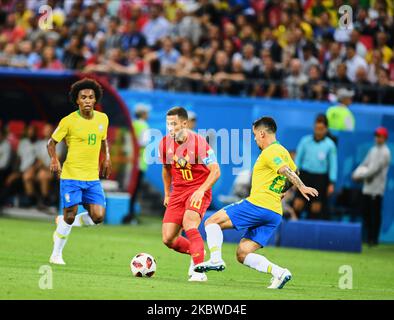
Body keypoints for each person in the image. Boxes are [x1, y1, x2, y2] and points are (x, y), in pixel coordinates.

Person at [194, 117, 318, 289]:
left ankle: (215, 259)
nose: (254, 139)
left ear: (262, 133)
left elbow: (286, 170)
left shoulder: (270, 152)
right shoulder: (283, 151)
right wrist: (283, 190)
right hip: (274, 212)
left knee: (211, 222)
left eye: (254, 135)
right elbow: (295, 170)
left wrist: (301, 187)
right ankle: (279, 273)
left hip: (258, 204)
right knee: (243, 253)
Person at [48, 78, 112, 265]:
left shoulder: (103, 119)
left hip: (92, 178)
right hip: (71, 176)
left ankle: (64, 222)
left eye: (90, 97)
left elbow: (103, 140)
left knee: (98, 217)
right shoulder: (68, 121)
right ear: (77, 100)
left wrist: (107, 157)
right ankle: (56, 254)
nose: (87, 100)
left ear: (95, 99)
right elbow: (51, 143)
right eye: (83, 97)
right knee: (70, 214)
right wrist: (54, 159)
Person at [159, 106, 220, 282]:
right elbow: (166, 169)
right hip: (177, 192)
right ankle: (198, 250)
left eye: (174, 124)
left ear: (185, 124)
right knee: (168, 238)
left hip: (198, 189)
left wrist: (201, 190)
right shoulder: (164, 143)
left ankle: (199, 271)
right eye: (168, 124)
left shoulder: (199, 143)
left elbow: (215, 171)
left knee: (189, 224)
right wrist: (167, 193)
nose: (171, 128)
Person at [293, 114, 337, 220]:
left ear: (326, 129)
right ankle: (294, 230)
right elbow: (297, 160)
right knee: (298, 203)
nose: (318, 131)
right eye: (317, 128)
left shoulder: (330, 145)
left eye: (321, 129)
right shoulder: (305, 141)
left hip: (320, 178)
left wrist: (331, 182)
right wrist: (294, 178)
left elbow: (333, 165)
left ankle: (310, 233)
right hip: (304, 176)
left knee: (316, 207)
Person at [352, 127, 391, 246]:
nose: (377, 138)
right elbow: (365, 163)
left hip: (377, 189)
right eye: (376, 135)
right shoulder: (373, 150)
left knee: (375, 214)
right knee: (366, 213)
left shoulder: (385, 152)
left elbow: (374, 170)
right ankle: (368, 237)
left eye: (380, 136)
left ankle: (374, 239)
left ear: (385, 138)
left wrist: (360, 176)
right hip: (367, 188)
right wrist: (356, 172)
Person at [123, 104, 151, 225]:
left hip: (129, 163)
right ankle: (131, 216)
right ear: (144, 114)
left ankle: (128, 214)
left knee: (130, 190)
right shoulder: (144, 126)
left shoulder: (132, 124)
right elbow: (143, 143)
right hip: (139, 163)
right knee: (135, 191)